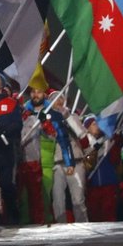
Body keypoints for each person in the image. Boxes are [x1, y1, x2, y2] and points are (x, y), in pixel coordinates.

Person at [0, 72, 23, 225]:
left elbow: (17, 124)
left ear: (2, 82)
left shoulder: (11, 103)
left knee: (6, 183)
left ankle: (13, 214)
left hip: (5, 149)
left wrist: (5, 130)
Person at [49, 93, 88, 223]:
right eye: (55, 99)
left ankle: (83, 227)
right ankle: (60, 229)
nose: (58, 101)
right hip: (56, 163)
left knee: (78, 200)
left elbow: (82, 135)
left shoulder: (73, 116)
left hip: (75, 161)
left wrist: (67, 118)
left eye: (61, 98)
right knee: (58, 200)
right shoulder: (48, 119)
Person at [19, 86, 50, 224]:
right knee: (19, 196)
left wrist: (44, 122)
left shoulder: (34, 119)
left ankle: (38, 222)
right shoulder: (15, 119)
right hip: (17, 161)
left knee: (35, 195)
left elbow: (51, 135)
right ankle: (19, 222)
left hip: (33, 162)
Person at [81, 115, 121, 221]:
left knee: (109, 215)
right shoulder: (84, 143)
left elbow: (116, 159)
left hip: (108, 184)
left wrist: (116, 143)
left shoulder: (109, 141)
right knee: (94, 215)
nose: (98, 126)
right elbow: (86, 162)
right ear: (87, 128)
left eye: (99, 123)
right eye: (94, 124)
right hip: (92, 185)